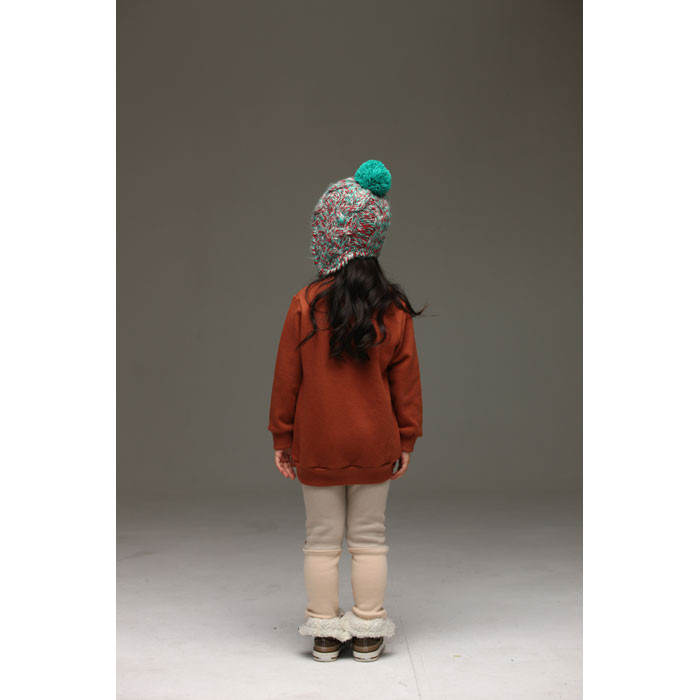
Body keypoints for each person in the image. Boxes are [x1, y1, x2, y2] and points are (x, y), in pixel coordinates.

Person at [268, 159, 424, 662]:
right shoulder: (393, 307)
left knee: (321, 541)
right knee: (370, 539)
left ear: (327, 236)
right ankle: (369, 629)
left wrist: (282, 438)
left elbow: (286, 380)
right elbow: (406, 382)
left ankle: (324, 633)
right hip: (375, 441)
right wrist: (406, 438)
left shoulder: (304, 302)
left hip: (317, 441)